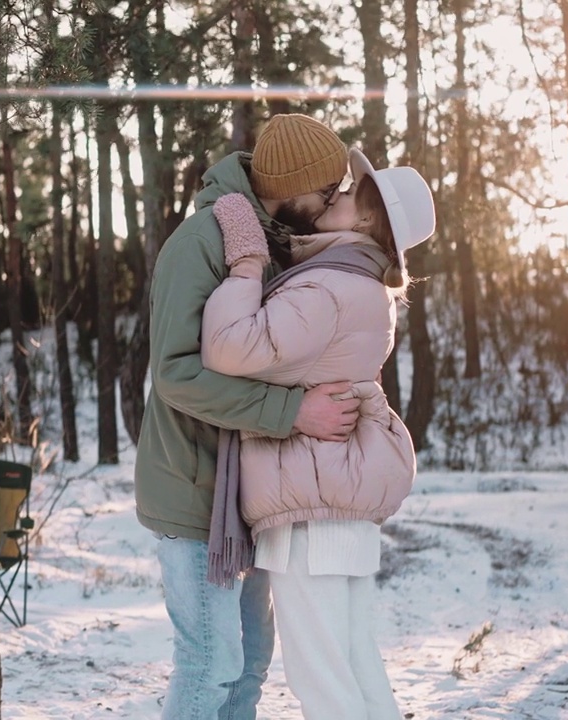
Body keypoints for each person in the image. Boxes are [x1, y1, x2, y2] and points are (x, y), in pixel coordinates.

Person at [134, 114, 362, 720]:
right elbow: (177, 374)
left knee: (253, 660)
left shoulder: (277, 243)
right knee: (210, 664)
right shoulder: (202, 243)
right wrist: (292, 413)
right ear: (289, 189)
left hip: (251, 491)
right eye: (328, 192)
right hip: (194, 490)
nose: (334, 202)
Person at [200, 147, 436, 720]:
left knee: (323, 680)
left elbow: (229, 348)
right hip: (335, 501)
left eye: (352, 191)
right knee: (354, 667)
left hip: (313, 507)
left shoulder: (327, 286)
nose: (339, 192)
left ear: (366, 219)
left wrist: (249, 265)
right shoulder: (358, 282)